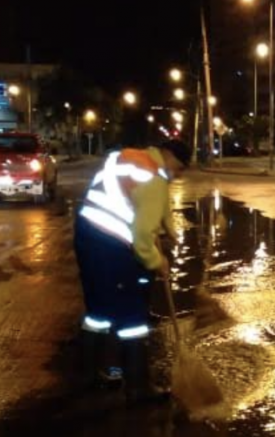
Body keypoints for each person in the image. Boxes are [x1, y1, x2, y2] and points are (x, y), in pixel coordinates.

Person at [75, 140, 191, 403]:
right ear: (170, 156)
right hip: (112, 245)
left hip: (87, 237)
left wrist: (169, 230)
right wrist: (156, 261)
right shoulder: (154, 179)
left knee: (99, 311)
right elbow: (141, 238)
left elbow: (152, 204)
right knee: (133, 318)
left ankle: (92, 375)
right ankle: (138, 387)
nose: (178, 174)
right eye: (180, 167)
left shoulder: (131, 158)